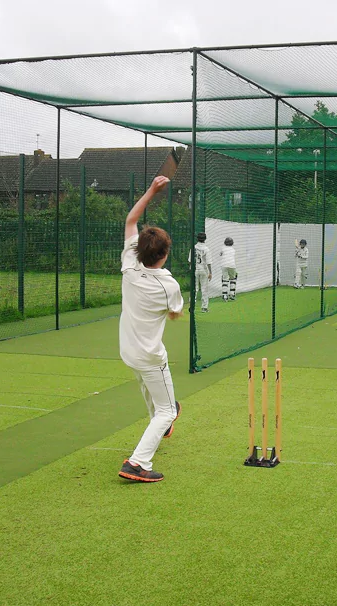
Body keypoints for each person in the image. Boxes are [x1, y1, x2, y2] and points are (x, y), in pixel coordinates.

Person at [117, 176, 184, 483]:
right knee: (168, 411)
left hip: (127, 352)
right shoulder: (168, 283)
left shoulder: (129, 262)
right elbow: (175, 314)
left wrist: (152, 192)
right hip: (150, 355)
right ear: (164, 254)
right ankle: (137, 462)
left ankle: (158, 426)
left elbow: (132, 218)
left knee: (154, 398)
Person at [189, 232, 212, 312]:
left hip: (194, 269)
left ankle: (192, 306)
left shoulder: (193, 247)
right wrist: (210, 272)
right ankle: (204, 307)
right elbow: (208, 262)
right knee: (204, 288)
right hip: (203, 270)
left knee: (194, 288)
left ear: (197, 238)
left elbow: (190, 260)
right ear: (205, 239)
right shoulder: (206, 249)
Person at [220, 237, 238, 301]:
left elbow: (220, 254)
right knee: (233, 278)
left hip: (223, 265)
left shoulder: (223, 248)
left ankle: (224, 295)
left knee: (225, 279)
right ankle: (232, 294)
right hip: (232, 265)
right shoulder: (233, 249)